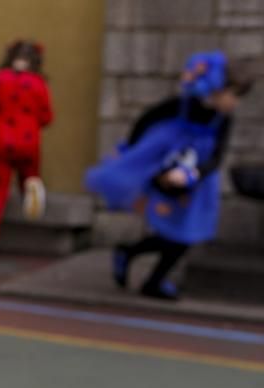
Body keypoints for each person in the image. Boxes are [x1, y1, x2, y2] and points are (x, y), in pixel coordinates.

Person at [86, 51, 253, 300]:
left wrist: (194, 174)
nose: (235, 103)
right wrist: (135, 155)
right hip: (164, 173)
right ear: (219, 88)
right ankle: (147, 273)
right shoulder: (180, 106)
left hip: (196, 182)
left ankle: (134, 258)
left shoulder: (223, 120)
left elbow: (217, 157)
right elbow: (145, 121)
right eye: (235, 95)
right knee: (175, 232)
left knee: (187, 233)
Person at [0, 40, 53, 261]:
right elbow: (47, 116)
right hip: (29, 142)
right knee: (30, 177)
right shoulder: (39, 84)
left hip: (1, 142)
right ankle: (30, 201)